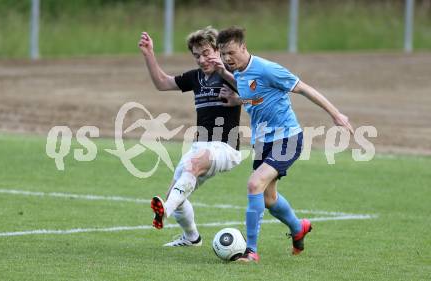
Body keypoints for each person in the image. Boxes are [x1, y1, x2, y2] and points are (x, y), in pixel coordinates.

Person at [215, 26, 354, 262]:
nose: (227, 59)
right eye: (223, 54)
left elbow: (304, 88)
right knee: (268, 199)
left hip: (287, 138)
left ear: (243, 47)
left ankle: (251, 251)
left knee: (254, 184)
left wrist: (336, 114)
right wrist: (236, 100)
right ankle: (298, 227)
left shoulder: (268, 69)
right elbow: (255, 96)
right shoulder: (238, 73)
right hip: (263, 142)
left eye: (231, 52)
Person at [138, 27, 242, 247]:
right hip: (200, 145)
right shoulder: (194, 77)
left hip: (226, 147)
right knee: (176, 192)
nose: (202, 59)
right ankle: (192, 237)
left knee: (192, 167)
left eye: (206, 53)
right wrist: (149, 54)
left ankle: (165, 210)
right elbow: (162, 83)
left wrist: (231, 87)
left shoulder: (232, 72)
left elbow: (256, 92)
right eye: (196, 55)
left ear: (217, 49)